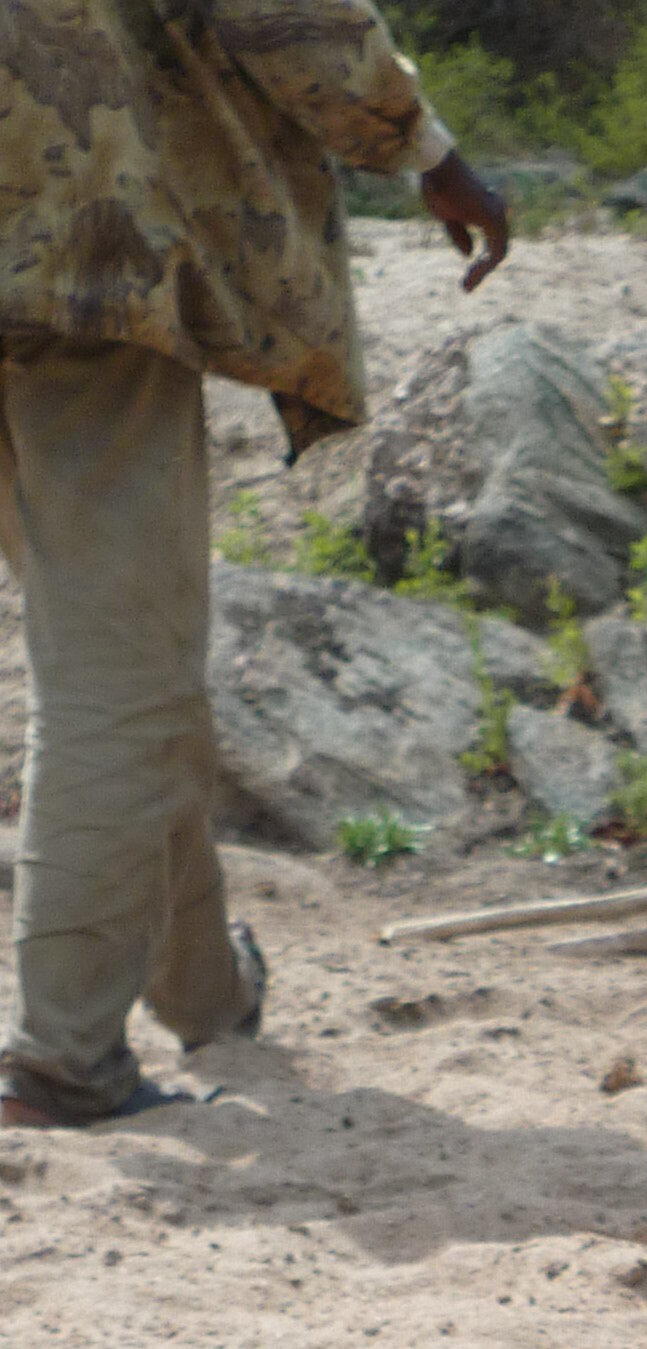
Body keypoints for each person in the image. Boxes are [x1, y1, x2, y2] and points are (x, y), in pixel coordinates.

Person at [0, 1, 508, 1129]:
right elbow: (291, 15)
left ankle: (206, 993)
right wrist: (425, 147)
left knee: (128, 649)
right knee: (119, 682)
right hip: (66, 238)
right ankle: (60, 1061)